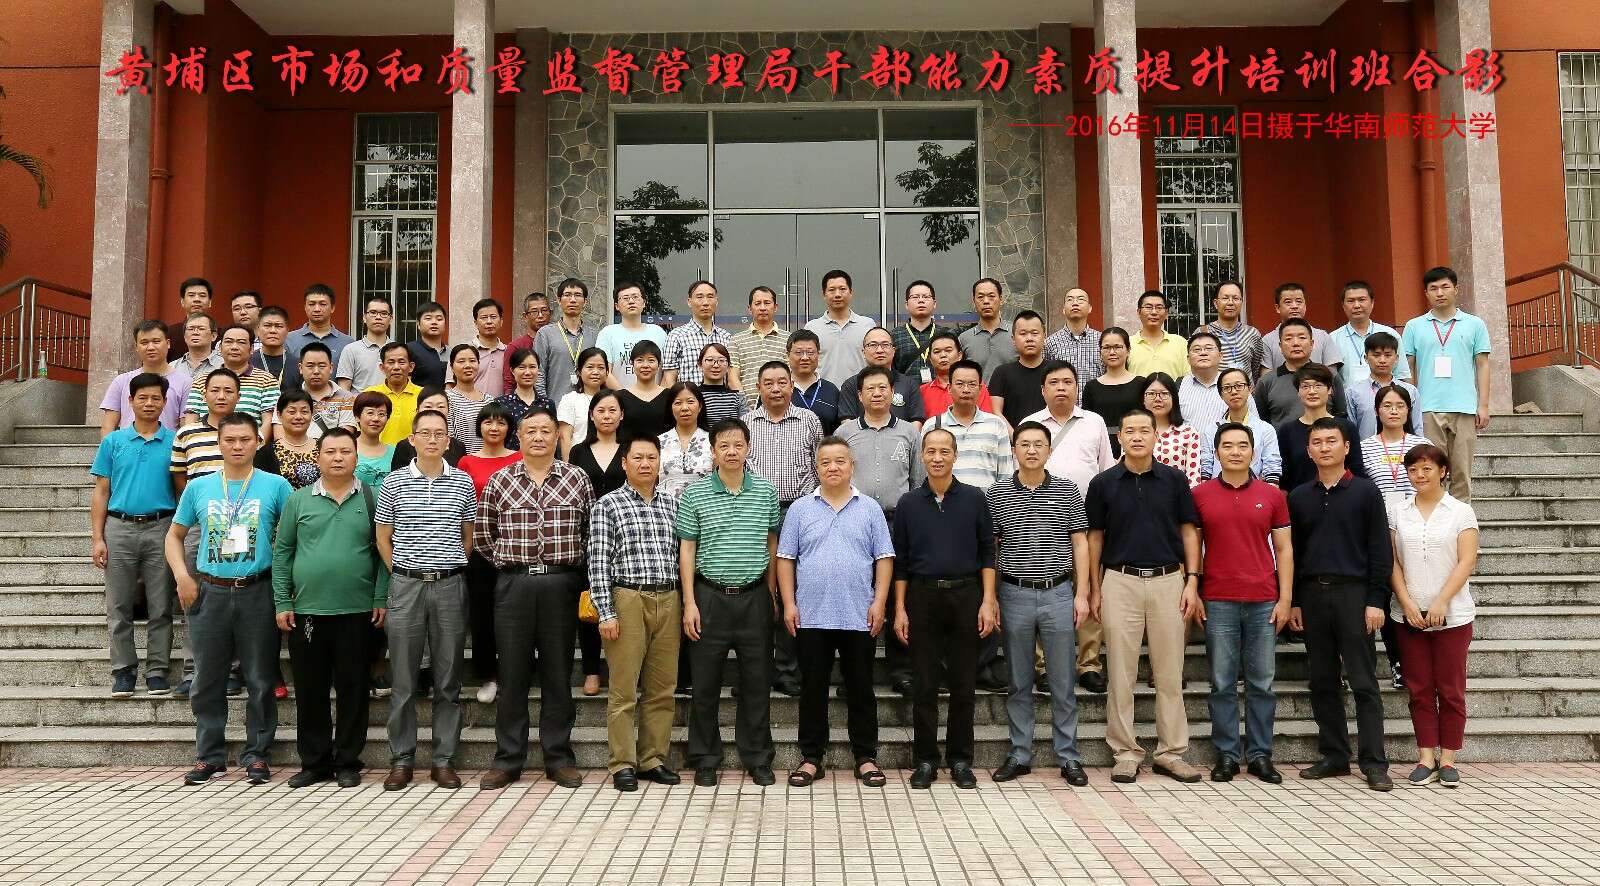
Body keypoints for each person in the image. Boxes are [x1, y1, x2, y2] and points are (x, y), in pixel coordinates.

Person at [164, 412, 293, 786]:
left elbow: (291, 538)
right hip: (210, 591)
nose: (237, 446)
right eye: (230, 440)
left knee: (260, 678)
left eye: (245, 440)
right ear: (219, 443)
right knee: (207, 678)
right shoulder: (199, 487)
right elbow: (173, 536)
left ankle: (257, 754)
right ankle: (209, 756)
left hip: (258, 590)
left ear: (258, 442)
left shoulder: (276, 486)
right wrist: (182, 576)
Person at [476, 407, 595, 791]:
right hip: (515, 585)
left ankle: (558, 757)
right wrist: (510, 564)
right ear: (520, 437)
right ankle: (508, 759)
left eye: (546, 430)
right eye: (532, 431)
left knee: (558, 673)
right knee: (512, 674)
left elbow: (589, 531)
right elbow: (483, 535)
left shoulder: (576, 478)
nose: (539, 437)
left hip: (561, 584)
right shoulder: (500, 480)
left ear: (556, 437)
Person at [1085, 407, 1204, 784]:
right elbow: (1095, 538)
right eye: (1129, 431)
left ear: (1156, 436)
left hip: (1169, 580)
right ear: (1119, 438)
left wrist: (1192, 581)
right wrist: (1094, 588)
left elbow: (1189, 532)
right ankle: (1125, 751)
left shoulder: (1174, 479)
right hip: (1119, 581)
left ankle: (1171, 752)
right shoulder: (1103, 483)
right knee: (1121, 673)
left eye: (1144, 430)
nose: (1137, 436)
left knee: (1169, 672)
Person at [272, 427, 387, 789]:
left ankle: (348, 760)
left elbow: (383, 552)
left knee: (354, 689)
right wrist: (282, 600)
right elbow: (283, 552)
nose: (338, 458)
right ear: (318, 457)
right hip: (308, 611)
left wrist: (380, 597)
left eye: (345, 451)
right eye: (331, 452)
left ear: (356, 457)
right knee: (310, 690)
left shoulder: (372, 497)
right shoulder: (298, 500)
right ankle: (315, 762)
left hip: (357, 610)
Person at [778, 437, 895, 788]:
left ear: (852, 466)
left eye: (840, 461)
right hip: (811, 614)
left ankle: (866, 757)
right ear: (816, 468)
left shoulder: (870, 508)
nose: (833, 467)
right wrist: (789, 603)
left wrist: (879, 602)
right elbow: (785, 558)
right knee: (812, 688)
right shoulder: (800, 509)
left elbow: (884, 558)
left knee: (861, 688)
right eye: (826, 462)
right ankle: (811, 758)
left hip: (859, 613)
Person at [1288, 417, 1394, 792]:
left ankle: (1374, 762)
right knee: (1322, 680)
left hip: (1355, 595)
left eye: (1331, 441)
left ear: (1347, 447)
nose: (1324, 448)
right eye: (1317, 442)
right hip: (1313, 595)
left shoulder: (1366, 492)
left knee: (1364, 681)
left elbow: (1380, 550)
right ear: (1308, 450)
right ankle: (1334, 755)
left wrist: (1376, 600)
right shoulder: (1299, 497)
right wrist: (1295, 601)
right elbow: (1293, 554)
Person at [374, 409, 477, 792]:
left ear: (448, 441)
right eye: (425, 433)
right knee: (403, 679)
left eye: (439, 434)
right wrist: (403, 571)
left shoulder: (463, 483)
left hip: (449, 585)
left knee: (448, 679)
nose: (432, 440)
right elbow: (383, 537)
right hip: (407, 586)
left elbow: (467, 536)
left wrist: (446, 565)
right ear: (412, 439)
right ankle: (402, 759)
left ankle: (443, 760)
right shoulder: (394, 482)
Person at [678, 418, 783, 787]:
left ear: (748, 448)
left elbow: (772, 544)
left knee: (757, 682)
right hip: (709, 597)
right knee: (705, 685)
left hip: (754, 597)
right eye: (724, 445)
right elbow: (687, 549)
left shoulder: (766, 492)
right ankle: (705, 758)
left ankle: (758, 757)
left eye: (738, 444)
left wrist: (771, 592)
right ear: (713, 451)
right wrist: (689, 602)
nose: (732, 451)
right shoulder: (694, 494)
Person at [987, 421, 1092, 786]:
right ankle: (1020, 753)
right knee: (1019, 681)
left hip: (1057, 592)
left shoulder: (1067, 490)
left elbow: (1080, 542)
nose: (1031, 450)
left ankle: (1069, 756)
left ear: (1049, 449)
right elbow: (992, 549)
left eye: (1038, 444)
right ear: (1014, 449)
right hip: (1013, 593)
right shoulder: (997, 493)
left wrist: (1082, 593)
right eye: (1024, 444)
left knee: (1063, 680)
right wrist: (991, 597)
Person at [893, 428, 998, 790]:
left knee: (963, 683)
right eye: (931, 452)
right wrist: (900, 608)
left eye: (944, 452)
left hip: (966, 595)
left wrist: (988, 600)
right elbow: (901, 561)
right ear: (922, 456)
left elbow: (987, 552)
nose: (937, 458)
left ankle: (960, 759)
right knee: (924, 683)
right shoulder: (909, 503)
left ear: (955, 455)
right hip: (922, 597)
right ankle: (925, 759)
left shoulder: (974, 499)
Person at [1193, 422, 1294, 784]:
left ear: (1253, 452)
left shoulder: (1272, 495)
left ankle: (1260, 755)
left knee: (1261, 682)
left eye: (1242, 445)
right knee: (1221, 681)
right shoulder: (1199, 494)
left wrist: (1285, 598)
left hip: (1263, 599)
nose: (1235, 452)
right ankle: (1227, 754)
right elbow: (1192, 548)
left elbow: (1284, 549)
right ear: (1216, 452)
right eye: (1228, 446)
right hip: (1217, 598)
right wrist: (1195, 591)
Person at [588, 435, 683, 792]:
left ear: (660, 462)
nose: (645, 464)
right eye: (638, 457)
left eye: (651, 457)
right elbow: (598, 561)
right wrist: (606, 612)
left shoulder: (672, 504)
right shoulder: (608, 505)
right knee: (624, 689)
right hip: (627, 598)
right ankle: (622, 763)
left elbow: (680, 554)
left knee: (662, 688)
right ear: (624, 463)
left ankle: (653, 759)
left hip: (668, 597)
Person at [1388, 443, 1480, 788]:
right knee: (1419, 688)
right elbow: (1392, 562)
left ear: (1443, 471)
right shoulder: (1399, 512)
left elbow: (1467, 560)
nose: (1419, 475)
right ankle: (1426, 757)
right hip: (1409, 614)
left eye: (1427, 468)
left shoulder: (1460, 512)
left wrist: (1441, 601)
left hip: (1453, 614)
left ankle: (1449, 758)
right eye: (1413, 470)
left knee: (1451, 688)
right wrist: (1406, 601)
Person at [1022, 361, 1114, 695]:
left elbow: (1106, 471)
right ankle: (1044, 665)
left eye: (1067, 382)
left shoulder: (1094, 422)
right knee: (1044, 593)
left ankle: (1089, 663)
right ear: (1043, 389)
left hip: (1087, 521)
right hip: (1041, 523)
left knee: (1087, 586)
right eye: (1054, 382)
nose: (1061, 387)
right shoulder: (1029, 424)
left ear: (1077, 388)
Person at [91, 371, 178, 698]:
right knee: (118, 604)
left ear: (165, 402)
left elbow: (181, 489)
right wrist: (98, 538)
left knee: (161, 604)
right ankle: (123, 670)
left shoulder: (175, 441)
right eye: (142, 398)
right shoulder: (113, 442)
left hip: (162, 527)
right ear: (130, 401)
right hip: (120, 527)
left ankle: (157, 670)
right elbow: (101, 491)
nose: (149, 403)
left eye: (156, 398)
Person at [836, 365, 922, 694]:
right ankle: (856, 673)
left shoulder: (909, 433)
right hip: (854, 520)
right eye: (870, 388)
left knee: (899, 593)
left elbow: (917, 482)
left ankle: (901, 669)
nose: (876, 393)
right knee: (858, 593)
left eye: (882, 388)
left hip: (897, 521)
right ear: (859, 395)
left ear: (892, 393)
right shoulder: (845, 432)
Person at [743, 359, 824, 696]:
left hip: (800, 510)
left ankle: (788, 668)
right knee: (761, 590)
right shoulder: (747, 422)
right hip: (756, 513)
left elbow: (820, 465)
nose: (776, 389)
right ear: (758, 387)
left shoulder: (809, 420)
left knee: (793, 590)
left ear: (791, 385)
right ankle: (757, 671)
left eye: (781, 382)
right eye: (769, 383)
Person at [1402, 266, 1492, 501]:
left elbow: (1483, 364)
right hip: (1428, 408)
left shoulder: (1474, 324)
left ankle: (1462, 521)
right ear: (1426, 293)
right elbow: (1407, 367)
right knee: (1431, 470)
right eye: (1433, 288)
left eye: (1445, 287)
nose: (1440, 293)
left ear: (1456, 289)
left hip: (1464, 407)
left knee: (1462, 472)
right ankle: (1434, 518)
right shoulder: (1414, 326)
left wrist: (1483, 405)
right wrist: (1410, 406)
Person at [457, 401, 520, 704]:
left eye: (501, 422)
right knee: (482, 612)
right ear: (479, 426)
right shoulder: (466, 462)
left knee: (514, 611)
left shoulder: (519, 458)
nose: (494, 428)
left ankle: (515, 670)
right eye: (488, 422)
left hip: (515, 544)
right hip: (478, 547)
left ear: (509, 428)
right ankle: (488, 675)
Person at [567, 391, 625, 696]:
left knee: (624, 601)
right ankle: (591, 670)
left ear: (621, 415)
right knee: (590, 601)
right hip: (587, 536)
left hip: (626, 534)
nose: (606, 415)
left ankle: (622, 669)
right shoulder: (578, 451)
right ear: (591, 415)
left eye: (612, 410)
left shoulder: (630, 449)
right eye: (601, 410)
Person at [917, 360, 1014, 494]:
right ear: (950, 388)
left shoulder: (996, 425)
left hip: (986, 504)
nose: (966, 390)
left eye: (972, 384)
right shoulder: (933, 425)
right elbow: (923, 472)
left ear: (980, 389)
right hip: (944, 504)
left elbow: (1005, 475)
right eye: (960, 384)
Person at [1276, 363, 1364, 492]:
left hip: (1344, 497)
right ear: (1298, 392)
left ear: (1329, 390)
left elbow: (1356, 469)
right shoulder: (1287, 431)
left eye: (1318, 385)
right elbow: (1285, 477)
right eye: (1305, 386)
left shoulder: (1346, 426)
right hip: (1301, 499)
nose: (1312, 391)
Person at [181, 324, 279, 436]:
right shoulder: (202, 380)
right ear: (220, 348)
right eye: (229, 342)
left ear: (251, 349)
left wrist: (256, 445)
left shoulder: (267, 381)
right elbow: (191, 419)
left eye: (241, 342)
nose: (234, 347)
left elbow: (269, 421)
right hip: (204, 444)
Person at [1255, 318, 1349, 426]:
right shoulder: (1266, 382)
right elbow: (1262, 423)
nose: (1296, 343)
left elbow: (1341, 416)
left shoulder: (1329, 376)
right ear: (1280, 346)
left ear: (1312, 344)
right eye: (1289, 338)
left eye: (1302, 338)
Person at [100, 320, 187, 435]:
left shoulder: (185, 383)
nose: (150, 347)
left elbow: (186, 426)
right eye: (144, 342)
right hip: (127, 445)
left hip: (168, 445)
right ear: (136, 347)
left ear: (168, 343)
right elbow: (108, 426)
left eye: (156, 341)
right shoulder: (121, 381)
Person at [1198, 367, 1281, 484]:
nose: (1234, 391)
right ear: (1221, 394)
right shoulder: (1211, 430)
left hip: (1253, 490)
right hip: (1218, 489)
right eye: (1227, 388)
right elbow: (1205, 469)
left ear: (1250, 389)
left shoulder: (1265, 429)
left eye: (1239, 386)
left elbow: (1272, 468)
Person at [838, 326, 927, 425]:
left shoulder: (909, 384)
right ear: (863, 352)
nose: (879, 350)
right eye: (873, 345)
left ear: (893, 351)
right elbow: (847, 424)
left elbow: (916, 421)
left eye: (885, 345)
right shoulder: (851, 385)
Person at [1361, 385, 1434, 503]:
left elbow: (1435, 483)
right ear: (1376, 410)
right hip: (1378, 513)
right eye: (1387, 406)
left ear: (1408, 410)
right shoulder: (1364, 448)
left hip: (1417, 512)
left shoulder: (1423, 445)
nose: (1394, 411)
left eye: (1400, 406)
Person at [171, 368, 240, 489]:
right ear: (204, 395)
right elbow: (179, 476)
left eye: (228, 391)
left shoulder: (251, 433)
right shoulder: (185, 433)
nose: (221, 396)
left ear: (238, 397)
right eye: (215, 390)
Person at [1082, 327, 1144, 458]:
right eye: (1106, 348)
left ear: (1128, 350)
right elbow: (1087, 425)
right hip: (1100, 448)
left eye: (1117, 347)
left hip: (1135, 446)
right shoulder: (1091, 387)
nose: (1112, 352)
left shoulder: (1141, 384)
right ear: (1100, 352)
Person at [1333, 281, 1410, 387]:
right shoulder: (1333, 338)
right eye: (1351, 301)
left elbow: (1402, 375)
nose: (1356, 305)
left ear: (1372, 303)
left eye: (1362, 300)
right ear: (1343, 305)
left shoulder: (1390, 334)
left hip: (1386, 396)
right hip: (1348, 397)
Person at [533, 281, 599, 403]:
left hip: (588, 406)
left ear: (585, 302)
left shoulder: (594, 335)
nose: (572, 300)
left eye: (578, 295)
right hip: (555, 405)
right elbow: (538, 374)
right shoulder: (545, 334)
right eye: (567, 295)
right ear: (559, 300)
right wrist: (545, 405)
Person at [1345, 331, 1418, 441]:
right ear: (1366, 358)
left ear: (1396, 358)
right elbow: (1351, 431)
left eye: (1388, 355)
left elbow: (1417, 428)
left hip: (1404, 450)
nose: (1382, 360)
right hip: (1367, 450)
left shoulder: (1410, 391)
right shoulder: (1353, 392)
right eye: (1376, 355)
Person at [805, 270, 873, 387]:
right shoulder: (812, 328)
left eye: (842, 289)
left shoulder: (867, 325)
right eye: (831, 290)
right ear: (824, 294)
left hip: (859, 392)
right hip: (823, 393)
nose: (837, 294)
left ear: (851, 292)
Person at [597, 280, 668, 388]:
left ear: (644, 303)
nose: (631, 301)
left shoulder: (658, 333)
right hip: (618, 397)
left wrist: (659, 394)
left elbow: (667, 372)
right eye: (625, 298)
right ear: (616, 306)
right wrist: (625, 395)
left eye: (635, 297)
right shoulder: (608, 333)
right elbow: (604, 371)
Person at [728, 285, 787, 409]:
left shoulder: (789, 339)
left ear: (775, 307)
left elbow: (793, 376)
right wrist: (745, 409)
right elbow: (733, 378)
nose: (763, 308)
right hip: (747, 410)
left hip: (781, 408)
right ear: (750, 309)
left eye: (767, 303)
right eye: (757, 303)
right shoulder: (736, 340)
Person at [662, 280, 731, 386]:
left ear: (716, 301)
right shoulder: (676, 336)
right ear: (689, 302)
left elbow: (730, 377)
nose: (705, 302)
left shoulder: (727, 337)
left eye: (710, 297)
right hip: (688, 396)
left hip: (721, 396)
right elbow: (669, 380)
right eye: (699, 297)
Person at [988, 310, 1050, 427]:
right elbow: (996, 412)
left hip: (1051, 437)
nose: (1029, 338)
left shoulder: (1055, 372)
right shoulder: (1001, 373)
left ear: (1044, 336)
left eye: (1034, 333)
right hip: (1012, 437)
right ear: (1013, 339)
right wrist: (1016, 436)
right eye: (1023, 334)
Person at [1262, 282, 1340, 373]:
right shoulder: (1268, 340)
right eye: (1288, 302)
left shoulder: (1323, 336)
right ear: (1277, 308)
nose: (1294, 306)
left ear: (1305, 306)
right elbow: (1266, 376)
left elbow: (1331, 373)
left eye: (1299, 302)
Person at [1144, 373, 1203, 487]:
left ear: (1174, 398)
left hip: (1178, 495)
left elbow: (1193, 477)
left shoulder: (1189, 433)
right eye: (1151, 394)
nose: (1158, 399)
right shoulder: (1133, 432)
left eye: (1164, 393)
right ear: (1143, 399)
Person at [920, 331, 996, 418]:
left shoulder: (974, 387)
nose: (943, 355)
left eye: (948, 350)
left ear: (959, 355)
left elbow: (986, 420)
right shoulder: (922, 391)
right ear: (930, 359)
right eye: (937, 352)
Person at [1200, 280, 1266, 379]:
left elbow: (1256, 369)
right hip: (1214, 389)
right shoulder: (1203, 333)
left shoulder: (1252, 334)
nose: (1230, 303)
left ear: (1241, 302)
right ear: (1216, 303)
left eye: (1235, 298)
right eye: (1225, 298)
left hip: (1245, 388)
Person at [254, 391, 321, 489]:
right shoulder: (267, 453)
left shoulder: (323, 447)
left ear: (311, 414)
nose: (298, 417)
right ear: (279, 415)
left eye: (304, 412)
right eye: (292, 412)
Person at [1042, 287, 1104, 391]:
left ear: (1090, 308)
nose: (1075, 303)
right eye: (1070, 299)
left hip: (1096, 400)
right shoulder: (1050, 343)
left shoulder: (1102, 341)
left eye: (1081, 299)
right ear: (1063, 309)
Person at [495, 348, 558, 450]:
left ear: (538, 370)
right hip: (511, 458)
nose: (527, 372)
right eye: (522, 367)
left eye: (532, 367)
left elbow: (553, 437)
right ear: (512, 371)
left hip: (541, 457)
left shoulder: (548, 404)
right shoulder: (501, 403)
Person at [291, 342, 357, 439]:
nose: (316, 371)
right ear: (300, 368)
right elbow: (281, 436)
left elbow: (344, 437)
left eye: (322, 366)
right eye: (310, 366)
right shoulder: (289, 399)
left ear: (331, 368)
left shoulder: (346, 398)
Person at [390, 388, 469, 469]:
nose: (434, 410)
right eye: (428, 406)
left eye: (441, 406)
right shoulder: (404, 447)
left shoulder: (458, 447)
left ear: (448, 411)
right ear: (417, 410)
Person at [658, 382, 713, 498]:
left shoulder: (712, 441)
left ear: (700, 406)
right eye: (678, 403)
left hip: (704, 505)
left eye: (690, 402)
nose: (684, 408)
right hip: (665, 507)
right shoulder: (658, 442)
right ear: (671, 408)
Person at [364, 342, 422, 446]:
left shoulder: (424, 396)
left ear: (411, 367)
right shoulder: (369, 395)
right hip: (378, 453)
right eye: (391, 362)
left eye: (401, 362)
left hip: (413, 454)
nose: (396, 367)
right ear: (382, 367)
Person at [786, 329, 843, 434]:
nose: (805, 357)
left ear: (818, 355)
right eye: (798, 352)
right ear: (787, 355)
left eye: (810, 352)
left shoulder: (831, 390)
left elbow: (840, 430)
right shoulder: (778, 389)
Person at [959, 277, 1016, 381]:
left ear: (1001, 299)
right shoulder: (964, 339)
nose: (986, 301)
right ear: (973, 302)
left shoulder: (1017, 334)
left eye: (991, 296)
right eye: (980, 297)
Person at [617, 340, 675, 442]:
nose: (645, 365)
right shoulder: (620, 397)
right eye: (640, 360)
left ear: (659, 364)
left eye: (651, 360)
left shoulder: (670, 396)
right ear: (632, 363)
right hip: (629, 451)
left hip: (663, 450)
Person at [336, 296, 396, 392]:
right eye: (373, 312)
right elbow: (344, 390)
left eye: (384, 313)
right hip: (359, 401)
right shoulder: (351, 350)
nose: (378, 317)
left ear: (391, 319)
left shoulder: (397, 350)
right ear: (364, 317)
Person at [286, 283, 355, 366]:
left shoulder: (348, 343)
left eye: (322, 304)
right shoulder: (288, 340)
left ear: (332, 308)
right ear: (305, 307)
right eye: (312, 304)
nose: (317, 309)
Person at [892, 279, 947, 382]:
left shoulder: (946, 335)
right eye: (915, 297)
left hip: (939, 391)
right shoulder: (894, 335)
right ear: (906, 304)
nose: (921, 300)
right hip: (906, 391)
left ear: (934, 303)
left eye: (926, 297)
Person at [557, 347, 610, 453]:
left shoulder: (613, 400)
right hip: (579, 459)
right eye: (590, 367)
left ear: (607, 372)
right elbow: (565, 438)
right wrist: (570, 463)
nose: (595, 372)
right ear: (579, 372)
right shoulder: (570, 399)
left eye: (601, 368)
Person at [1177, 331, 1231, 432]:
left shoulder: (1236, 385)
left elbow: (1253, 423)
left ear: (1220, 356)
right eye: (1197, 349)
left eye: (1209, 348)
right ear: (1188, 359)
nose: (1203, 353)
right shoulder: (1178, 387)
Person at [1127, 291, 1189, 378]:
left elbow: (1188, 377)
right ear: (1138, 312)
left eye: (1159, 307)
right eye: (1148, 307)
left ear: (1166, 313)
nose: (1154, 312)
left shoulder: (1180, 343)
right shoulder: (1127, 343)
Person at [444, 344, 491, 453]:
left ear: (478, 364)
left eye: (472, 361)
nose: (468, 365)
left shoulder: (489, 400)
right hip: (457, 460)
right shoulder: (446, 399)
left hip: (484, 460)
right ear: (451, 367)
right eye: (461, 361)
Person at [250, 307, 303, 393]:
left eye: (279, 326)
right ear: (258, 329)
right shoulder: (248, 363)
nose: (273, 331)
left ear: (287, 330)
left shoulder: (299, 365)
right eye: (267, 325)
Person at [351, 392, 396, 489]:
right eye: (370, 413)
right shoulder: (346, 450)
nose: (376, 419)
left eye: (381, 414)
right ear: (357, 417)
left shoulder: (395, 452)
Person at [502, 292, 551, 382]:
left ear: (550, 313)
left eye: (544, 310)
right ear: (525, 316)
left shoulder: (557, 343)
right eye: (534, 312)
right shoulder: (516, 347)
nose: (540, 316)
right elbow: (509, 382)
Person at [468, 297, 510, 400]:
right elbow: (450, 385)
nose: (489, 321)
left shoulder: (509, 352)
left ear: (501, 321)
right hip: (471, 408)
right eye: (484, 318)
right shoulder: (464, 351)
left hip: (501, 409)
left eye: (493, 317)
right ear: (475, 323)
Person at [696, 342, 746, 426]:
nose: (716, 365)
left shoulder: (737, 397)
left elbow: (745, 425)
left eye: (721, 360)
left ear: (728, 366)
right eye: (710, 360)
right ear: (700, 365)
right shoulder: (694, 396)